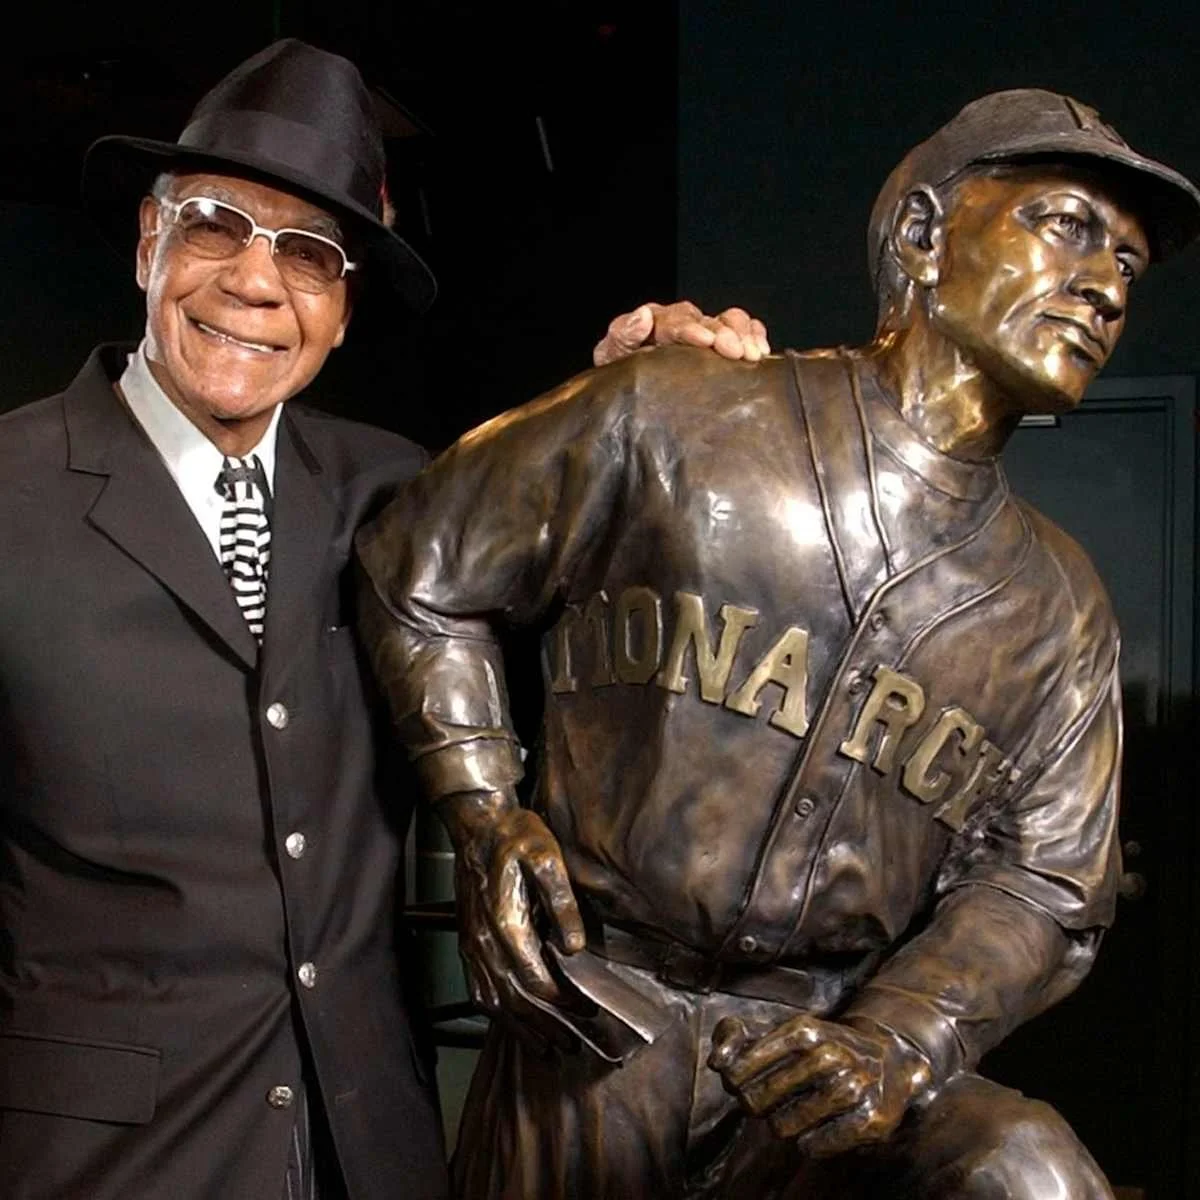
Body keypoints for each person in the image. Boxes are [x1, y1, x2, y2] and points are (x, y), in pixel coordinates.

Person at [358, 89, 1200, 1199]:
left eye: (1131, 268)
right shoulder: (681, 411)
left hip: (823, 1062)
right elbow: (419, 566)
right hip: (598, 1023)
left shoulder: (1059, 606)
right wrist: (482, 810)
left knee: (1025, 1170)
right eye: (1065, 225)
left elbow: (1045, 880)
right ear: (922, 236)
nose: (1104, 286)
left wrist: (899, 1036)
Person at [0, 37, 762, 1200]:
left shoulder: (397, 493)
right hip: (101, 1164)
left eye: (309, 255)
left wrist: (630, 399)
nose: (256, 284)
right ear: (150, 243)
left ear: (343, 310)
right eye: (214, 225)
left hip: (375, 1152)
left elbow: (594, 592)